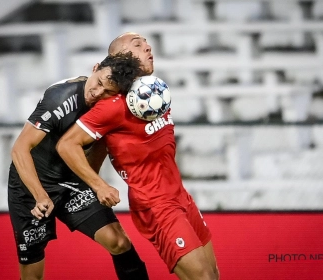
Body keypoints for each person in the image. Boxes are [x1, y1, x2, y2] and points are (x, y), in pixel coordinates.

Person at [56, 32, 220, 280]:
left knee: (214, 276)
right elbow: (67, 145)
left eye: (146, 43)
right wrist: (99, 186)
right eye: (137, 44)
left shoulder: (153, 92)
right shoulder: (110, 106)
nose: (147, 47)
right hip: (156, 205)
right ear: (120, 58)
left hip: (180, 196)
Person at [8, 51, 149, 280]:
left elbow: (101, 145)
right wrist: (40, 196)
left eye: (107, 92)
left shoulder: (110, 107)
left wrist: (91, 184)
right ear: (94, 68)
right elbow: (19, 149)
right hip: (30, 184)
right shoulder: (59, 97)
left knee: (120, 242)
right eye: (99, 83)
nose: (97, 92)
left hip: (70, 181)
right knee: (32, 273)